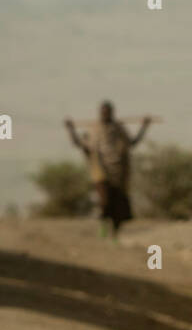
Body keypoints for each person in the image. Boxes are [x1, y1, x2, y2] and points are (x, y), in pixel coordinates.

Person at [64, 102, 151, 238]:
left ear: (112, 113)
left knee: (119, 203)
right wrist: (70, 130)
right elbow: (81, 145)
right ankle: (103, 225)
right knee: (105, 201)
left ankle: (115, 233)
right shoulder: (94, 129)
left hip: (119, 172)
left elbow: (132, 143)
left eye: (107, 112)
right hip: (100, 170)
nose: (105, 115)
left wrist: (144, 127)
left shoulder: (119, 129)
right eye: (103, 112)